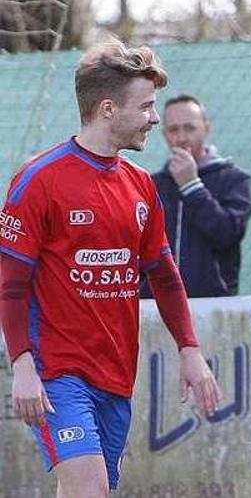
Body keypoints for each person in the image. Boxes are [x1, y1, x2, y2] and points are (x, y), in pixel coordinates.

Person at [1, 40, 221, 497]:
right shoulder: (39, 180)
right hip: (57, 374)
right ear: (107, 109)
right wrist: (22, 364)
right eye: (145, 106)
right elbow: (11, 285)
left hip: (117, 373)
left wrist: (189, 348)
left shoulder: (140, 185)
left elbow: (163, 274)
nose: (155, 118)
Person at [145, 94, 251, 298]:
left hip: (213, 302)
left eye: (190, 128)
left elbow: (227, 234)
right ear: (164, 134)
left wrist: (192, 186)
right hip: (158, 303)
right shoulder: (152, 184)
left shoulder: (234, 180)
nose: (182, 137)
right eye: (173, 129)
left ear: (206, 128)